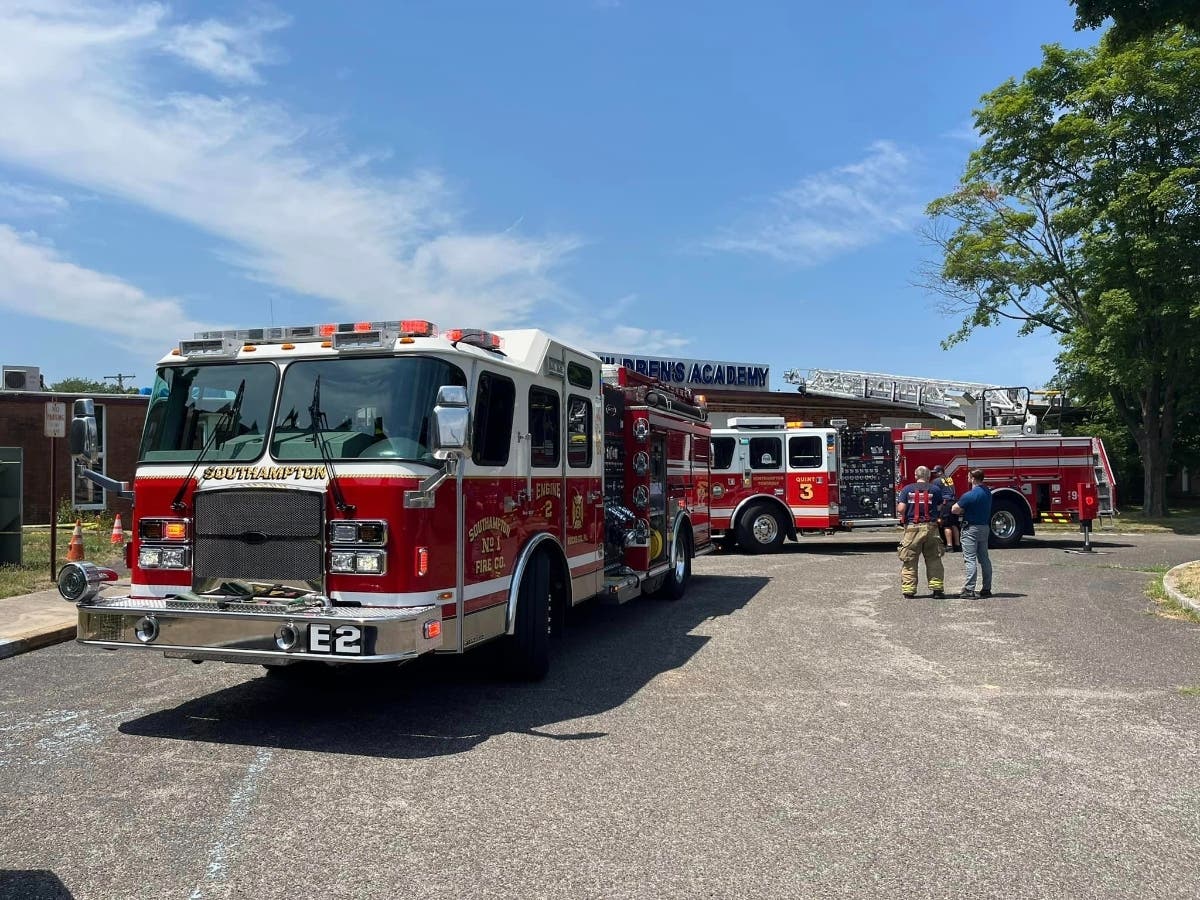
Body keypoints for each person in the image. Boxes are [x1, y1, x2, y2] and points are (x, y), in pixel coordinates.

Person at [895, 465, 946, 599]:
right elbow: (940, 506)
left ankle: (909, 591)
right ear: (929, 476)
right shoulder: (935, 489)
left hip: (912, 529)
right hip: (931, 528)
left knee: (909, 559)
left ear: (916, 476)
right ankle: (937, 590)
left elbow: (901, 509)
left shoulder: (907, 489)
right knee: (934, 558)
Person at [952, 468, 993, 599]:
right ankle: (987, 588)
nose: (968, 478)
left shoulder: (970, 495)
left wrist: (964, 510)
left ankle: (969, 589)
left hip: (971, 529)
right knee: (984, 559)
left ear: (973, 478)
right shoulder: (987, 492)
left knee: (970, 559)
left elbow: (955, 509)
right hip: (984, 527)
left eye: (969, 476)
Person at [932, 465, 961, 552]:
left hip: (946, 503)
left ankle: (949, 546)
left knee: (946, 525)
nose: (934, 474)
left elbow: (934, 492)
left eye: (935, 472)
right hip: (954, 502)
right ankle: (958, 545)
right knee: (954, 524)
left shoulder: (936, 481)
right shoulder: (949, 478)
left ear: (940, 472)